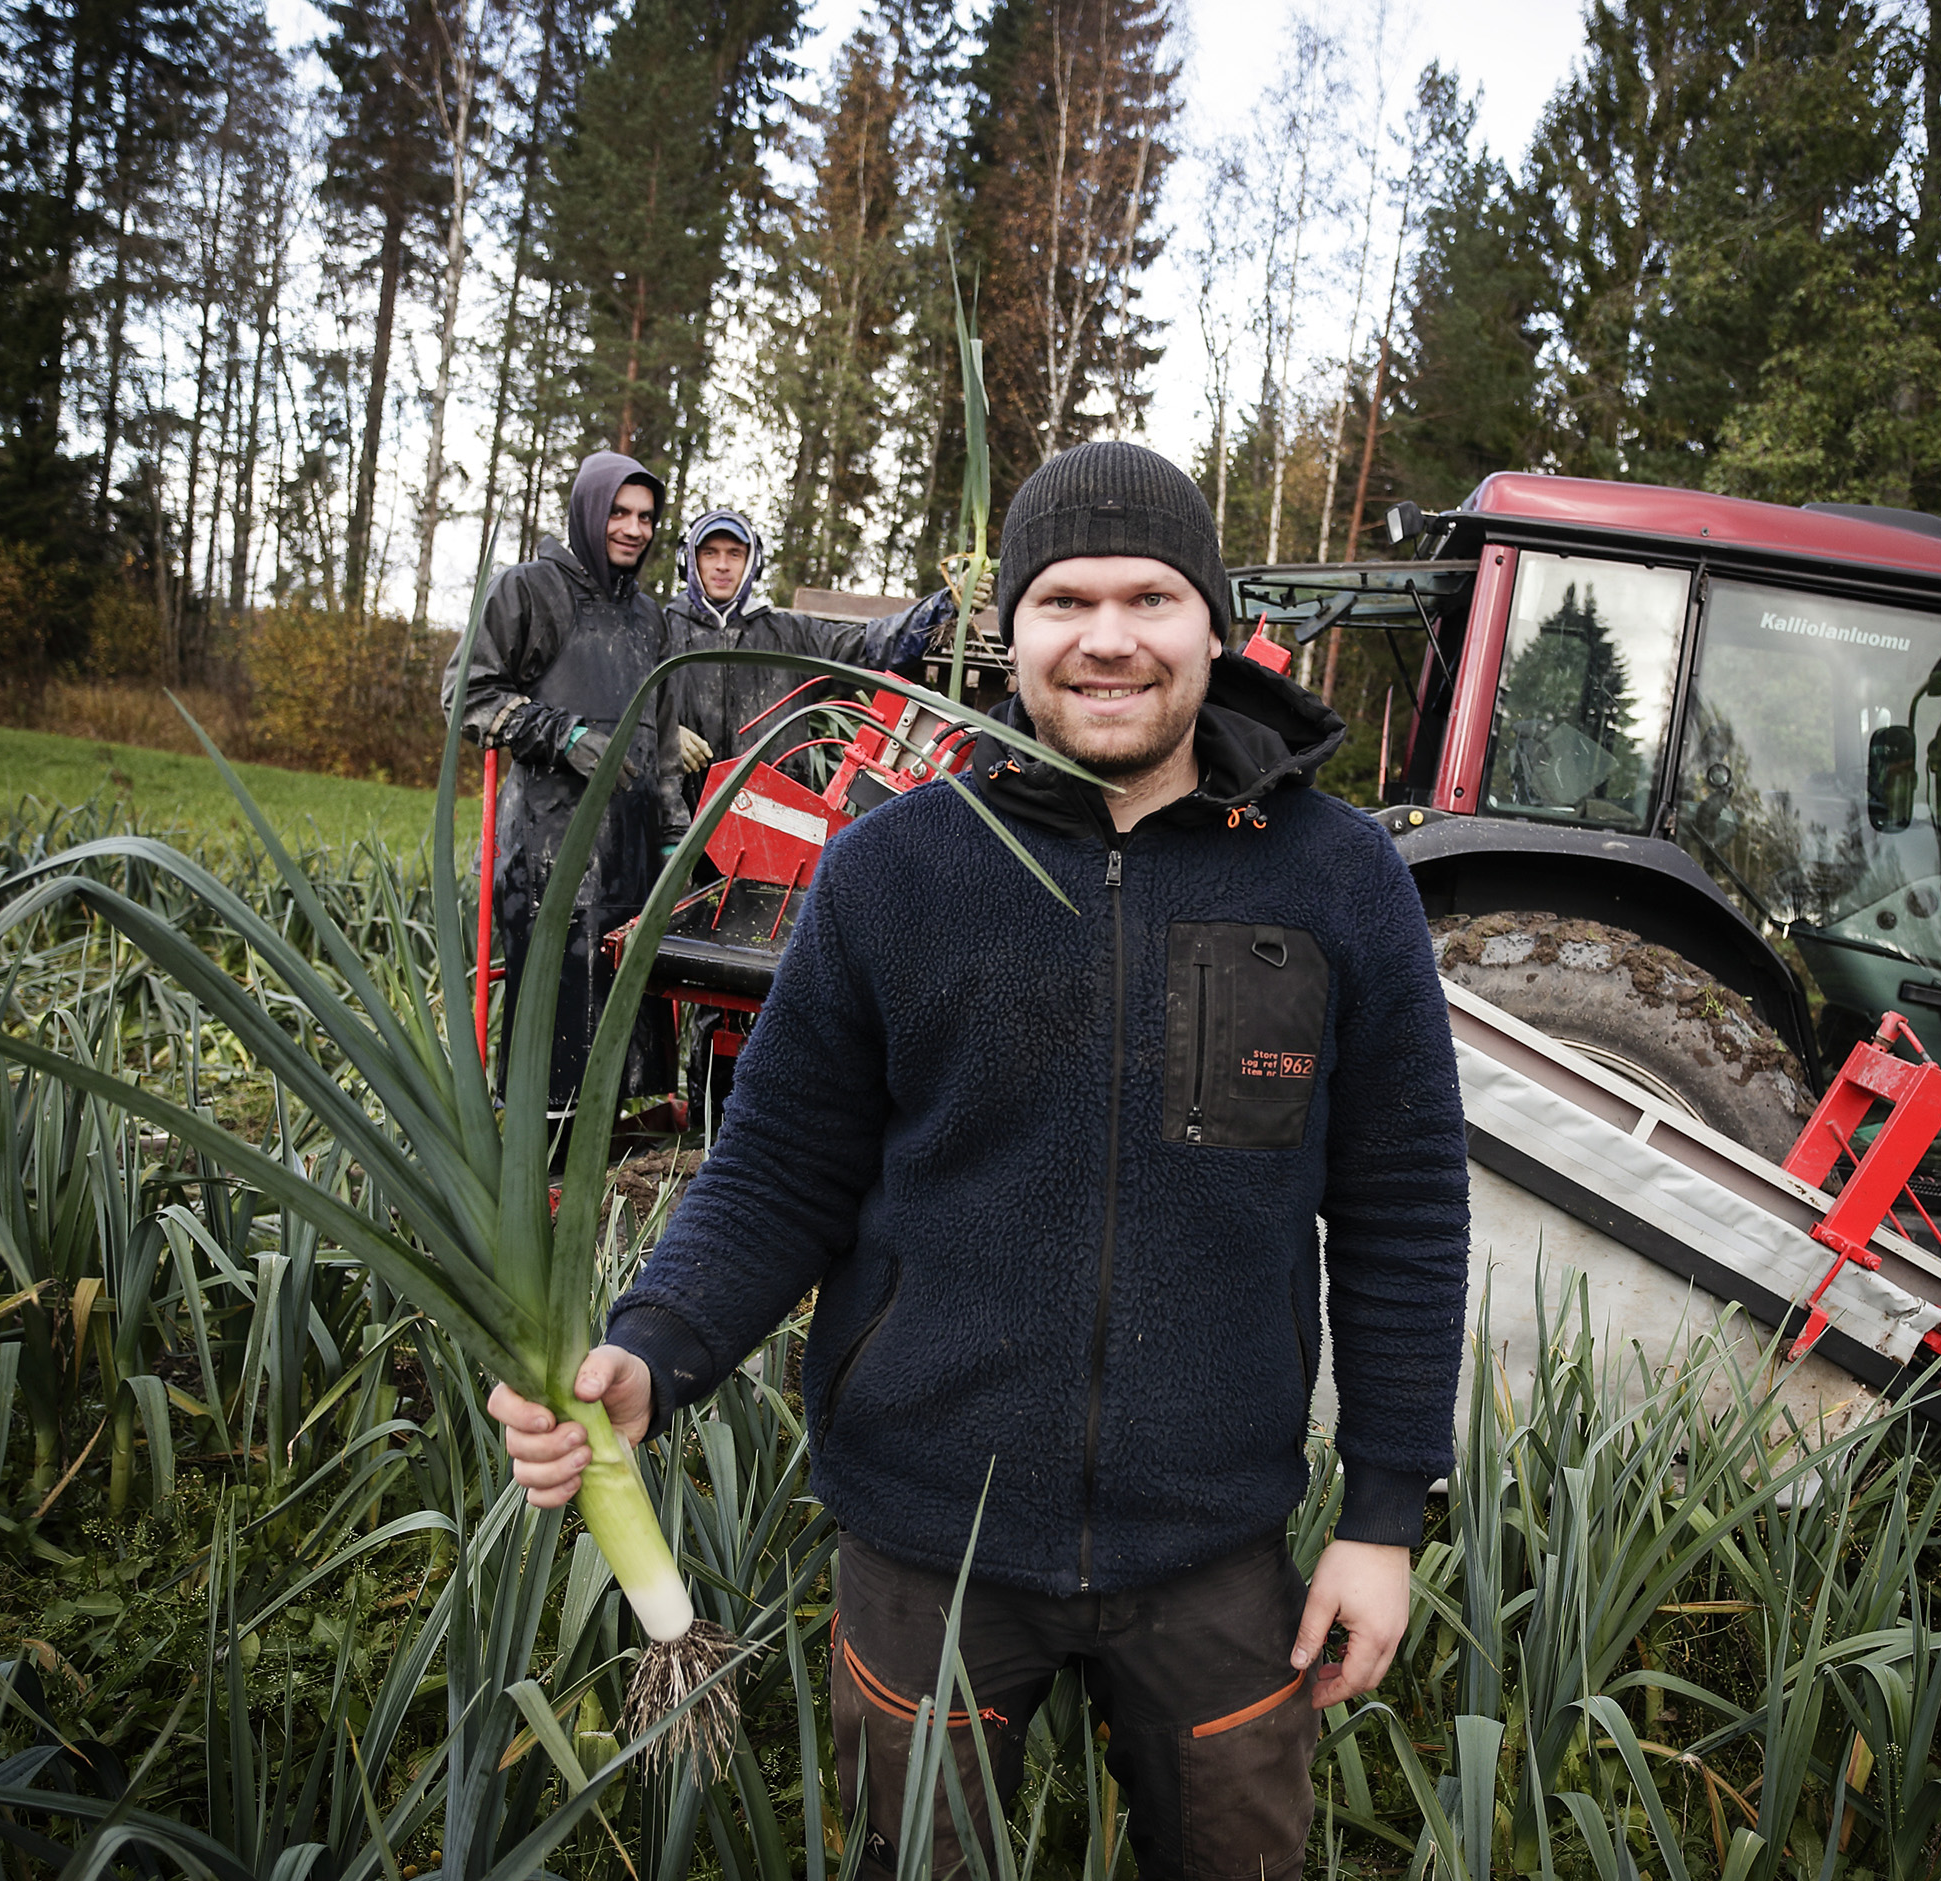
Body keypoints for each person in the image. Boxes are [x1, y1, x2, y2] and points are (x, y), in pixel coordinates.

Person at [487, 443, 1471, 1881]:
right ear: (1010, 633)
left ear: (1215, 618)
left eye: (1152, 595)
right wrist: (651, 1353)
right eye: (1065, 600)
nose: (1110, 637)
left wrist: (1384, 1517)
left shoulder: (1337, 878)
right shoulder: (898, 866)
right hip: (924, 1548)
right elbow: (776, 1174)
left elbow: (1402, 1209)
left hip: (1214, 1547)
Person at [443, 451, 693, 1112]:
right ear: (589, 509)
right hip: (549, 852)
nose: (634, 529)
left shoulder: (649, 617)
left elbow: (663, 742)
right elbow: (466, 692)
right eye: (619, 512)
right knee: (554, 1019)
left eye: (645, 517)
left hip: (630, 852)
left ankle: (607, 1164)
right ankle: (540, 1161)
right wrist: (561, 733)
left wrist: (673, 835)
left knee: (622, 1017)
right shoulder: (530, 588)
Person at [659, 507, 955, 798]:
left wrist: (944, 606)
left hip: (770, 819)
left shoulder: (792, 636)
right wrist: (664, 734)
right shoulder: (660, 632)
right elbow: (621, 709)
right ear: (689, 561)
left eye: (735, 553)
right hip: (679, 821)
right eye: (710, 552)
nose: (722, 565)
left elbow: (871, 645)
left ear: (753, 563)